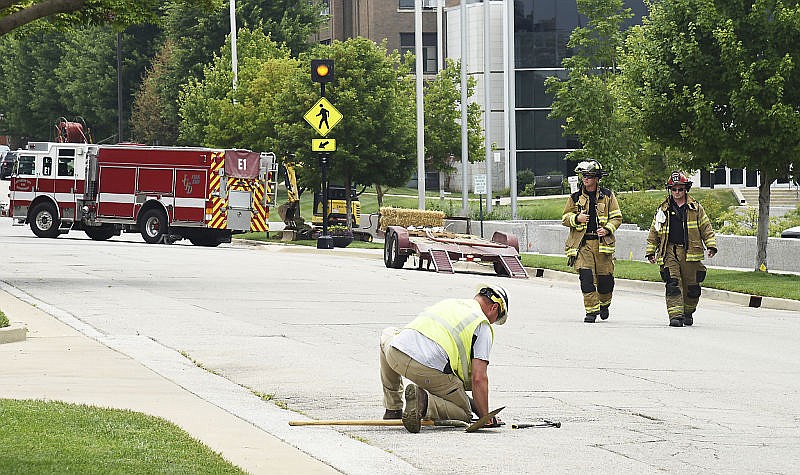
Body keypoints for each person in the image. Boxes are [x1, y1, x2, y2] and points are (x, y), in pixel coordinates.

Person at [379, 284, 509, 433]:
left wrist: (479, 409)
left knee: (388, 333)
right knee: (464, 413)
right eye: (497, 318)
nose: (493, 322)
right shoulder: (482, 325)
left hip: (396, 352)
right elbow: (479, 378)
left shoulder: (450, 304)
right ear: (494, 307)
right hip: (426, 369)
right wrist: (485, 417)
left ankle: (393, 409)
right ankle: (422, 401)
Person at [646, 171, 717, 327]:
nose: (677, 192)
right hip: (669, 251)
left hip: (690, 252)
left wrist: (711, 245)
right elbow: (654, 231)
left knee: (692, 287)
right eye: (674, 189)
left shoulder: (696, 208)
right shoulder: (662, 209)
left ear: (686, 189)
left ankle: (688, 312)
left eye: (680, 189)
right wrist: (650, 251)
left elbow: (706, 228)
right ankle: (675, 316)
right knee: (673, 283)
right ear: (670, 190)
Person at [562, 160, 623, 323]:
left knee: (605, 282)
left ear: (597, 178)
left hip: (603, 244)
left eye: (589, 176)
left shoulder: (608, 196)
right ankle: (591, 311)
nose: (585, 179)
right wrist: (577, 218)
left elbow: (617, 217)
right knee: (586, 277)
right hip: (583, 244)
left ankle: (604, 305)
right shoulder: (574, 198)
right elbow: (565, 218)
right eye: (583, 176)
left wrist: (608, 229)